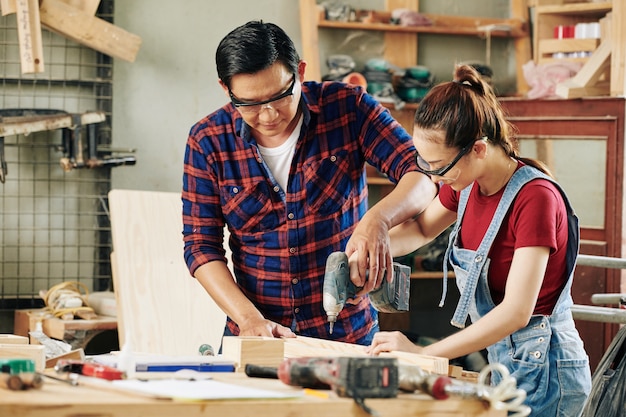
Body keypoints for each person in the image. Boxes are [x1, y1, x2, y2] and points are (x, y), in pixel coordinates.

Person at [181, 21, 436, 346]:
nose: (269, 115)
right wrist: (248, 319)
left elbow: (423, 174)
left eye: (280, 96)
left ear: (300, 72)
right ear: (226, 89)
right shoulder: (208, 141)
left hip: (346, 334)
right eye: (250, 104)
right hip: (259, 336)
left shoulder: (348, 107)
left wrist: (378, 220)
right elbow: (201, 247)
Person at [367, 64, 591, 416]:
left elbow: (516, 312)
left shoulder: (535, 198)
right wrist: (370, 248)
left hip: (547, 371)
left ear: (479, 149)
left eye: (439, 166)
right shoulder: (468, 185)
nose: (434, 178)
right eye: (424, 164)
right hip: (503, 361)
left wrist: (424, 354)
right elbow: (422, 230)